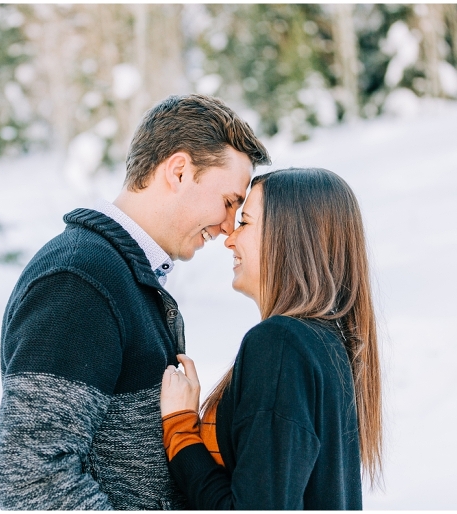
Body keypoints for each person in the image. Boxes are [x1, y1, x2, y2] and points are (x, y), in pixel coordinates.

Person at [0, 94, 270, 509]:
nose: (229, 226)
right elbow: (29, 475)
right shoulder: (80, 280)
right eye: (229, 201)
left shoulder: (122, 276)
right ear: (178, 171)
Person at [160, 167, 383, 509]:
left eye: (245, 222)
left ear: (290, 236)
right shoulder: (326, 345)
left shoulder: (280, 344)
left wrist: (179, 432)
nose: (230, 238)